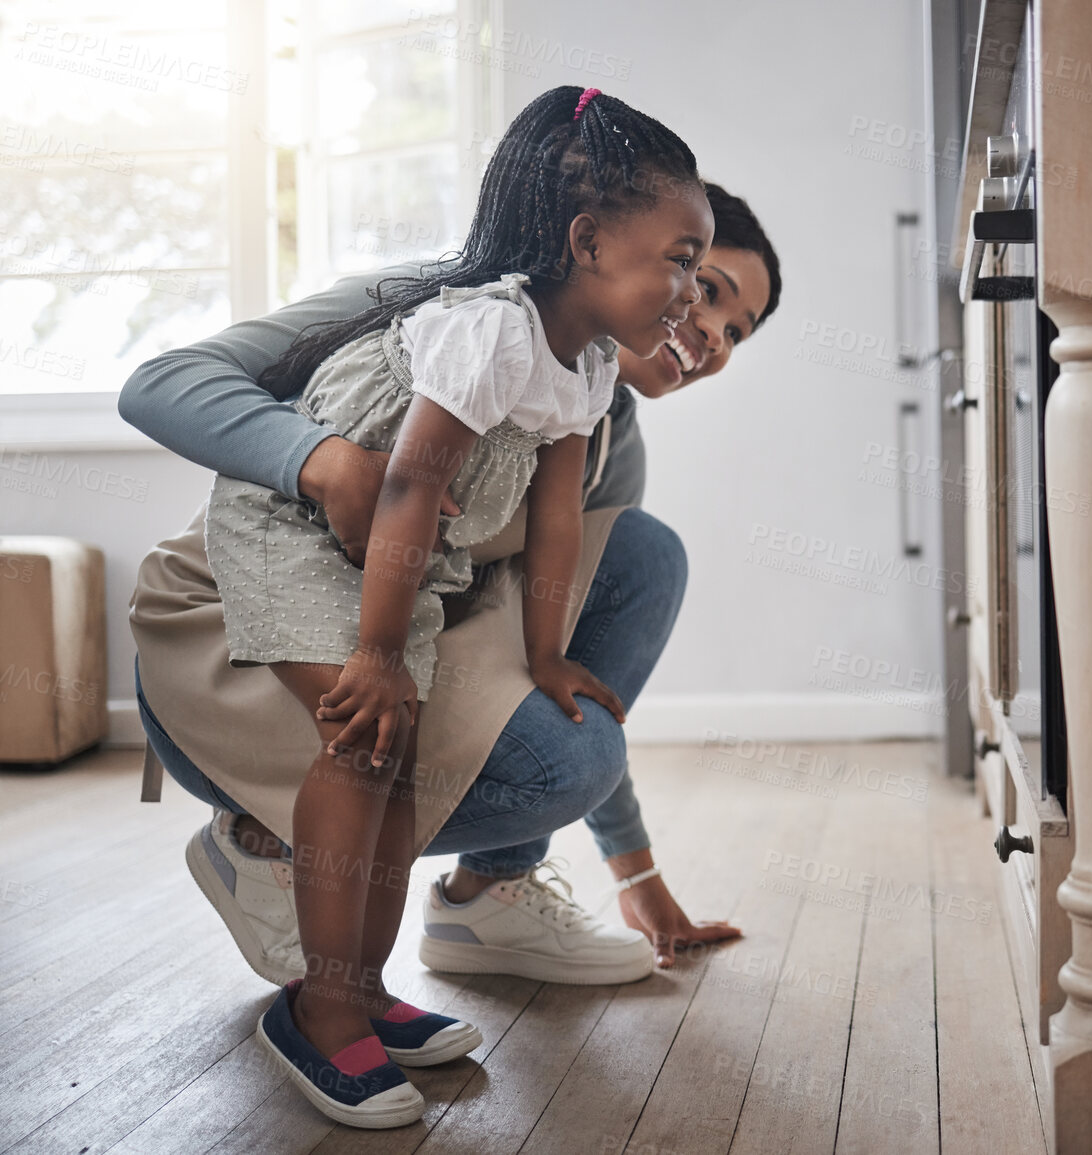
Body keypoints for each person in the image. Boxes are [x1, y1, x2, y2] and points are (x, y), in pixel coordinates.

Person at [122, 87, 760, 1130]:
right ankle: (319, 1006)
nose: (702, 317)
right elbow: (410, 488)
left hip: (396, 570)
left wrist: (548, 657)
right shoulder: (479, 323)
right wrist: (375, 654)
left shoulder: (590, 371)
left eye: (735, 322)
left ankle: (365, 984)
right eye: (693, 267)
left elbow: (556, 519)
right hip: (288, 539)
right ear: (588, 242)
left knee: (401, 752)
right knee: (363, 743)